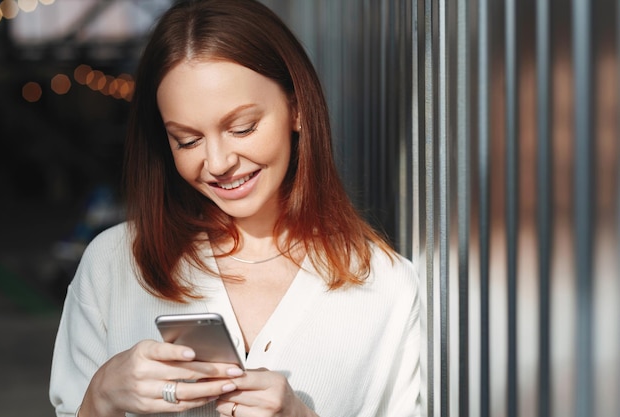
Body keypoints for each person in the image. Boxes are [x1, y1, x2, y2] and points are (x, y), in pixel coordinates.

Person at [49, 0, 422, 416]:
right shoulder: (114, 265)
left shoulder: (384, 287)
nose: (219, 161)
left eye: (242, 127)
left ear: (296, 108)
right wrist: (100, 397)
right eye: (187, 140)